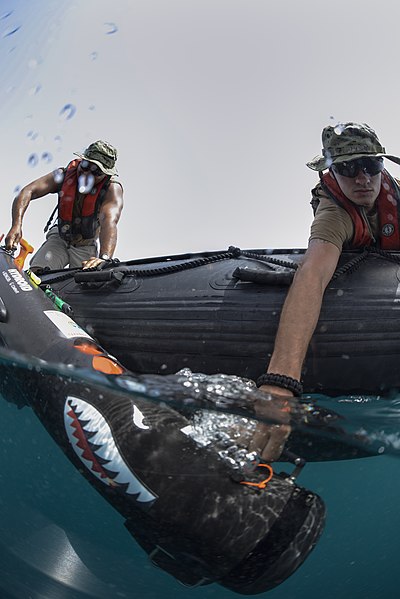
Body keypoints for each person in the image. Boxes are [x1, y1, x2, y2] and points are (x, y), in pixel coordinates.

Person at [250, 122, 400, 461]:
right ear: (332, 170)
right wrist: (280, 381)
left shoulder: (397, 196)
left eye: (371, 165)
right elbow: (313, 275)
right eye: (348, 168)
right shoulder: (333, 213)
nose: (362, 178)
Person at [5, 140, 124, 271]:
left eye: (96, 172)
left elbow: (109, 221)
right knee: (37, 272)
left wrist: (104, 258)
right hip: (60, 236)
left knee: (85, 282)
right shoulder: (64, 175)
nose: (87, 174)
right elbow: (28, 191)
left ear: (105, 174)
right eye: (85, 166)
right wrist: (16, 225)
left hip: (85, 245)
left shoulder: (111, 189)